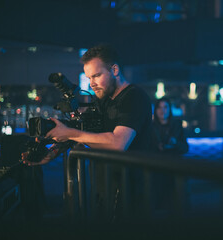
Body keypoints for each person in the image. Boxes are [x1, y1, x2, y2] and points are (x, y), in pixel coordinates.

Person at [21, 44, 152, 221]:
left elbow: (118, 142)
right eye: (89, 77)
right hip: (103, 188)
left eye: (97, 75)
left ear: (114, 70)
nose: (92, 83)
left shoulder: (134, 97)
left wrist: (68, 133)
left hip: (130, 193)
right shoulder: (103, 99)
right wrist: (52, 152)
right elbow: (84, 130)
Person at [150, 97, 188, 214]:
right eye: (160, 107)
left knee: (175, 205)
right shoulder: (150, 127)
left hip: (173, 170)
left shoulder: (176, 125)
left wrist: (175, 143)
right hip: (156, 172)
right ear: (155, 110)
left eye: (165, 107)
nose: (163, 110)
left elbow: (185, 148)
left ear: (169, 109)